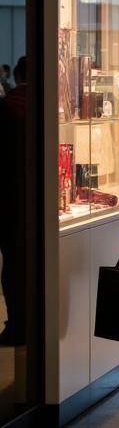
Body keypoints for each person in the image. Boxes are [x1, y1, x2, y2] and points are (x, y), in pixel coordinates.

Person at [0, 57, 27, 345]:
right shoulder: (51, 104)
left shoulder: (5, 106)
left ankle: (17, 321)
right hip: (42, 200)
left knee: (12, 263)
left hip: (9, 199)